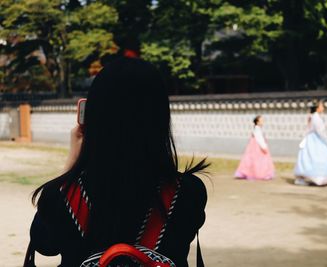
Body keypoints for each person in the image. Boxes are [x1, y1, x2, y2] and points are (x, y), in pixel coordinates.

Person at [27, 57, 208, 266]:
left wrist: (72, 163)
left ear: (94, 117)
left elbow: (44, 244)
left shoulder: (60, 197)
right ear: (160, 117)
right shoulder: (188, 192)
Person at [294, 101, 327, 186]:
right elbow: (321, 133)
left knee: (309, 159)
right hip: (316, 140)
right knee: (321, 158)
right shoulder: (316, 118)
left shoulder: (312, 116)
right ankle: (323, 179)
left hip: (311, 139)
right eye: (322, 106)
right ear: (317, 108)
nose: (323, 108)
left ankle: (305, 179)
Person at [234, 115, 275, 180]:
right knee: (260, 160)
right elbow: (260, 139)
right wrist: (264, 147)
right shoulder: (257, 129)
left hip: (254, 147)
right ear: (257, 122)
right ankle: (261, 174)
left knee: (253, 160)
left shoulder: (256, 129)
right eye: (261, 121)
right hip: (258, 148)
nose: (263, 122)